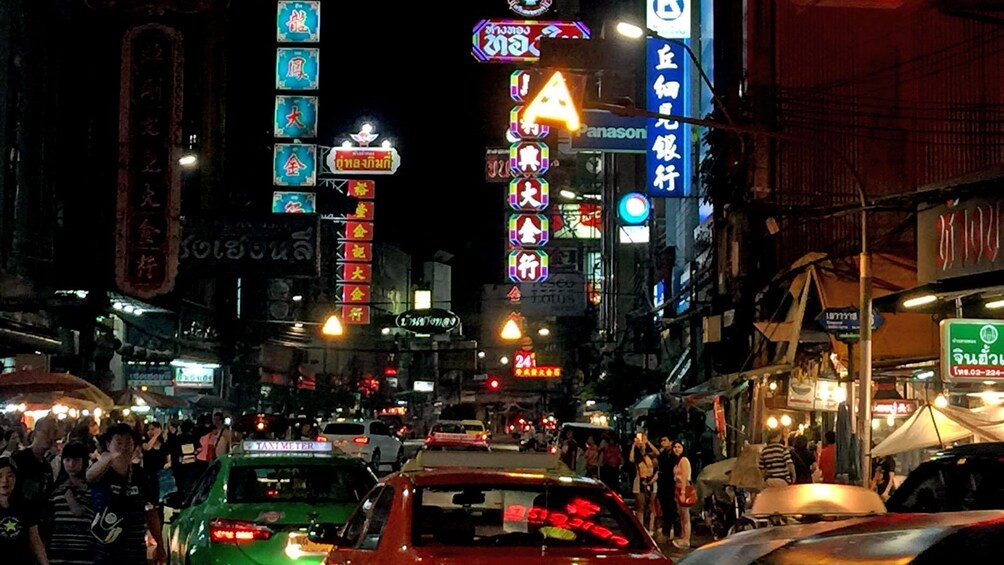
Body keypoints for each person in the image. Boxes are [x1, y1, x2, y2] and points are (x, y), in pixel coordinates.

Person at [87, 423, 165, 565]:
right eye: (118, 442)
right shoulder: (102, 473)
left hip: (135, 550)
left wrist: (159, 543)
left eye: (128, 442)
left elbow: (151, 512)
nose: (124, 446)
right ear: (108, 444)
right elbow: (89, 477)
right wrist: (111, 456)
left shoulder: (143, 476)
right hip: (105, 550)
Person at [46, 442, 93, 565]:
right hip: (58, 551)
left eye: (76, 460)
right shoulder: (55, 489)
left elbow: (81, 512)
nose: (71, 464)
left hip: (86, 552)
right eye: (67, 460)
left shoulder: (92, 489)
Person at [0, 456, 49, 564]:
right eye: (0, 476)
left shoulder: (25, 505)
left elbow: (35, 539)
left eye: (10, 476)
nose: (5, 481)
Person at [12, 416, 59, 525]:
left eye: (54, 432)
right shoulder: (19, 458)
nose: (51, 437)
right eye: (47, 432)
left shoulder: (47, 467)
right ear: (35, 433)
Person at [656, 436, 679, 539]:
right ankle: (667, 529)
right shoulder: (664, 454)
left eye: (665, 440)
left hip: (671, 484)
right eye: (661, 440)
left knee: (672, 507)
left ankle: (675, 530)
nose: (662, 442)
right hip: (663, 483)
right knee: (664, 507)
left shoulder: (676, 457)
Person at [671, 441, 693, 549]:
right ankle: (683, 537)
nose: (676, 449)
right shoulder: (677, 461)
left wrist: (683, 492)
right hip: (678, 488)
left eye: (679, 447)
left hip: (683, 488)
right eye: (675, 447)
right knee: (682, 516)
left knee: (685, 516)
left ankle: (686, 539)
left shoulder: (684, 460)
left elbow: (684, 478)